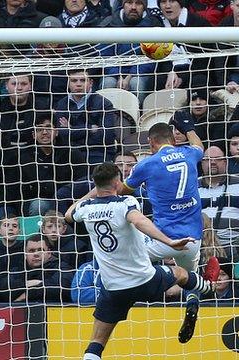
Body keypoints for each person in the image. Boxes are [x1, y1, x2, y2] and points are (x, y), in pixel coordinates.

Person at [65, 162, 218, 360]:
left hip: (112, 288)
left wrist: (93, 192)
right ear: (118, 182)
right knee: (180, 273)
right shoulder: (125, 203)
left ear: (96, 184)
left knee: (97, 342)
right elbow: (140, 221)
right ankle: (209, 287)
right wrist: (169, 241)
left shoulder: (85, 208)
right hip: (143, 279)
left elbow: (69, 214)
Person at [117, 111, 206, 343]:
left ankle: (132, 297)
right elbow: (199, 145)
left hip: (163, 240)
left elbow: (121, 192)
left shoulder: (147, 164)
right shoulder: (189, 153)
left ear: (150, 142)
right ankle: (192, 302)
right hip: (193, 240)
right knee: (191, 277)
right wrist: (188, 128)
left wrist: (142, 183)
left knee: (125, 259)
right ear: (174, 140)